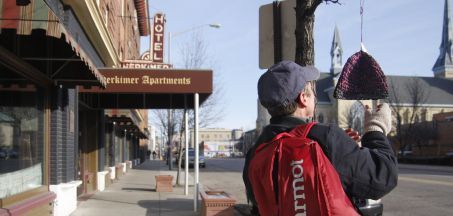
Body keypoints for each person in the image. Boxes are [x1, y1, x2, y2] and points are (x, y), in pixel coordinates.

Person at [243, 60, 398, 215]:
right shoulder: (326, 137)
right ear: (303, 98)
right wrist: (375, 128)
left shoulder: (256, 151)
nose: (316, 97)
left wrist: (345, 146)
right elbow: (383, 176)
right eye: (313, 91)